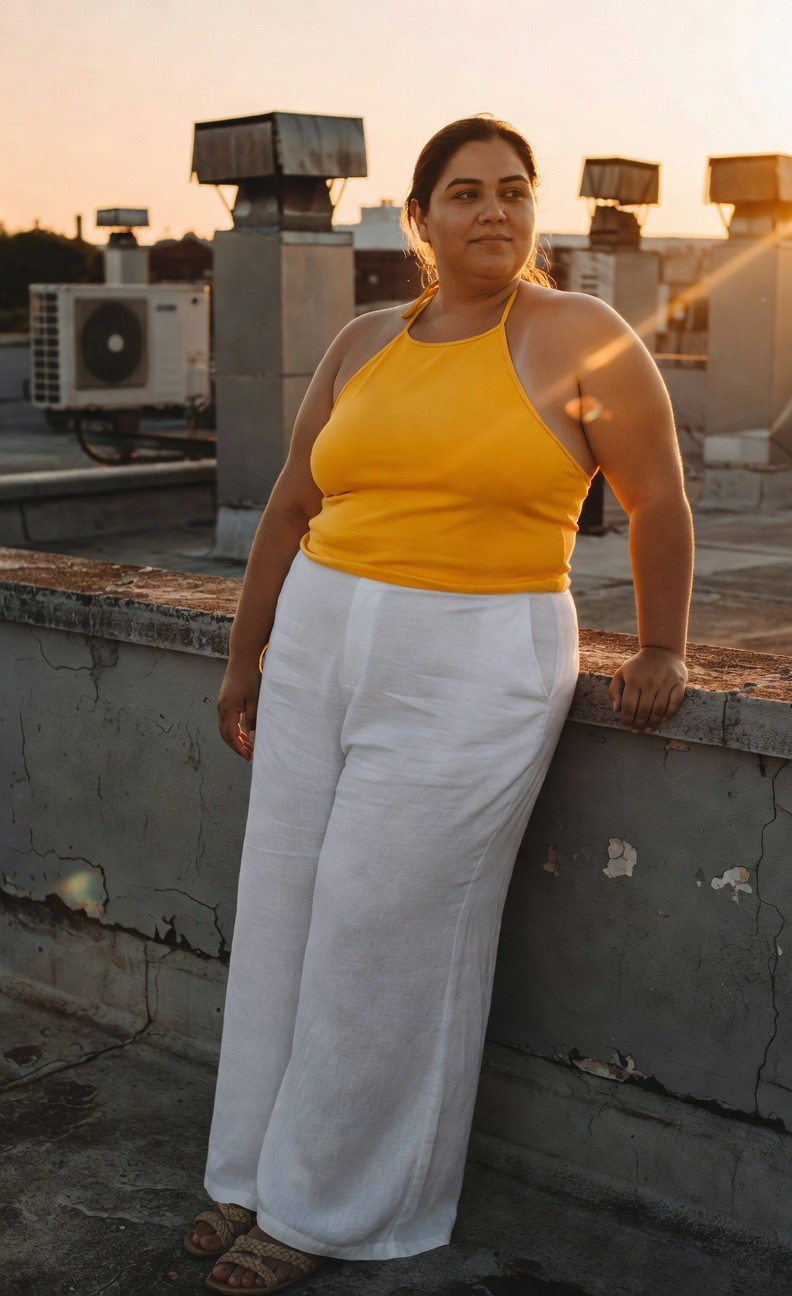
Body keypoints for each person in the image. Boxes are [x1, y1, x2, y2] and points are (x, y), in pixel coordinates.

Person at [185, 115, 693, 1293]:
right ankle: (252, 1174)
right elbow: (286, 508)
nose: (495, 212)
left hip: (476, 659)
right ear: (418, 219)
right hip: (319, 643)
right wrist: (243, 657)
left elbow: (659, 502)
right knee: (286, 915)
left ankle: (335, 1211)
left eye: (514, 191)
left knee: (385, 928)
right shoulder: (366, 340)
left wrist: (664, 645)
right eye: (463, 194)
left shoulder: (587, 335)